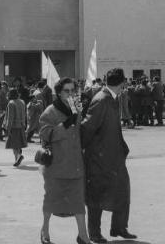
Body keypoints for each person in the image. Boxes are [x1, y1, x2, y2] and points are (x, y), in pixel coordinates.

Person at [81, 68, 136, 243]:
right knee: (96, 194)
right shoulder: (101, 99)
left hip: (114, 156)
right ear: (122, 82)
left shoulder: (111, 97)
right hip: (99, 158)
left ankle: (119, 227)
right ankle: (94, 232)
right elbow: (87, 128)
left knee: (122, 190)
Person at [39, 77, 91, 244]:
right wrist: (66, 124)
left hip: (75, 164)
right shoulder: (49, 111)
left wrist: (80, 116)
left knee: (78, 202)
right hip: (56, 165)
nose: (70, 94)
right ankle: (44, 230)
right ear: (59, 93)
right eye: (67, 91)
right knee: (51, 200)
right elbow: (45, 135)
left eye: (73, 91)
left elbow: (79, 133)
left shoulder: (75, 109)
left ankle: (83, 235)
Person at [3, 87, 27, 166]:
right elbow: (24, 114)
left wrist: (7, 128)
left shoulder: (11, 103)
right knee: (19, 143)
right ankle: (17, 159)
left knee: (14, 144)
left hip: (14, 126)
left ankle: (18, 158)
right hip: (21, 125)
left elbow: (10, 118)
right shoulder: (22, 102)